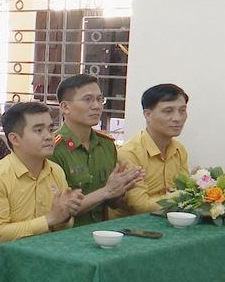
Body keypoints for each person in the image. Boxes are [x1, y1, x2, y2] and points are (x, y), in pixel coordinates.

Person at [0, 102, 84, 259]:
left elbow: (63, 225)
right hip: (3, 261)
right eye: (38, 130)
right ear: (15, 139)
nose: (48, 136)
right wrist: (50, 219)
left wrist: (65, 214)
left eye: (51, 129)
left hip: (48, 254)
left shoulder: (55, 171)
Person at [51, 75, 145, 225]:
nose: (96, 106)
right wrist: (107, 191)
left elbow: (113, 203)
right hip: (66, 237)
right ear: (65, 107)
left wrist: (122, 189)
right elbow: (58, 211)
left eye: (100, 99)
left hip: (102, 233)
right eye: (87, 99)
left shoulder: (106, 145)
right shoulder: (53, 149)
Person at [116, 83, 190, 215]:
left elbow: (185, 191)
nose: (178, 118)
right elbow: (140, 206)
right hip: (133, 228)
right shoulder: (129, 153)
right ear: (148, 115)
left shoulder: (179, 150)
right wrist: (185, 195)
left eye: (182, 111)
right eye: (168, 111)